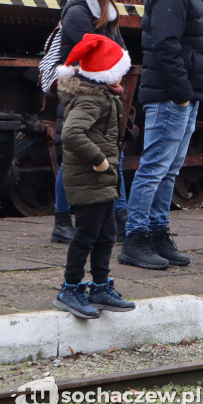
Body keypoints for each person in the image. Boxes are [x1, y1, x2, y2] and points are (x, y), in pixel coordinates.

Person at [120, 0, 203, 270]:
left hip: (184, 94)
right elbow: (165, 46)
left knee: (169, 169)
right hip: (172, 96)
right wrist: (180, 93)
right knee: (154, 168)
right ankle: (135, 239)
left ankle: (158, 232)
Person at [52, 33, 135, 319]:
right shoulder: (91, 100)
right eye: (118, 73)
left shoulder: (104, 96)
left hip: (103, 180)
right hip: (90, 177)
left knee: (106, 234)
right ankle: (70, 288)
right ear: (103, 74)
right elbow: (71, 133)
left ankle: (100, 287)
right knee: (86, 235)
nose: (122, 80)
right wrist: (99, 160)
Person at [51, 0, 129, 245]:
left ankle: (119, 218)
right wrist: (112, 72)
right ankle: (62, 221)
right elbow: (96, 50)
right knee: (74, 156)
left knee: (112, 152)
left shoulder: (108, 13)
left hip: (103, 89)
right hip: (81, 90)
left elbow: (118, 50)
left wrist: (116, 74)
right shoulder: (76, 13)